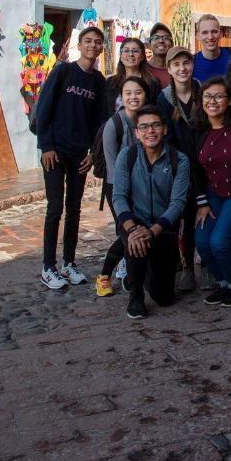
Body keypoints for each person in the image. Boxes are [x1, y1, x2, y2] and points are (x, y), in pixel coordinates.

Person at [36, 26, 107, 290]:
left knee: (75, 209)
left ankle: (68, 262)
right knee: (55, 208)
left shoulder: (98, 81)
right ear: (80, 44)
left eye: (97, 42)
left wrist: (92, 152)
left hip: (80, 154)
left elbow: (100, 120)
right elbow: (44, 109)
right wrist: (46, 147)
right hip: (55, 151)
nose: (92, 45)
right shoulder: (63, 71)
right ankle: (48, 266)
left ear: (102, 47)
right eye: (88, 41)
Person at [112, 105, 190, 319]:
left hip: (163, 226)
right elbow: (118, 196)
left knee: (164, 298)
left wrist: (153, 231)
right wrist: (133, 229)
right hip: (135, 221)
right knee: (135, 242)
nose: (150, 131)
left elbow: (177, 203)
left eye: (155, 125)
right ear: (137, 132)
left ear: (164, 129)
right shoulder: (127, 157)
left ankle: (144, 271)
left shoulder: (179, 160)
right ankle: (135, 294)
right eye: (144, 127)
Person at [192, 77, 231, 308]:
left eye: (219, 96)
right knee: (202, 241)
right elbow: (195, 168)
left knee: (219, 241)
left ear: (229, 101)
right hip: (213, 193)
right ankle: (224, 283)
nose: (213, 101)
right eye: (208, 96)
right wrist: (202, 202)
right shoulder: (197, 129)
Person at [95, 76, 149, 298]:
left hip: (144, 186)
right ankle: (104, 275)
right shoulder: (114, 126)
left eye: (138, 92)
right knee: (127, 231)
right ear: (121, 97)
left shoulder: (149, 120)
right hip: (118, 188)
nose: (133, 97)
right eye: (128, 93)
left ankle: (130, 275)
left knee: (137, 230)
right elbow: (113, 168)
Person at [156, 46, 201, 291]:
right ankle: (181, 266)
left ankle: (200, 266)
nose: (182, 68)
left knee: (200, 215)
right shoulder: (163, 99)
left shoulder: (203, 92)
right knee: (178, 217)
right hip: (176, 168)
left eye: (187, 63)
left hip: (204, 165)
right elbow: (165, 136)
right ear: (169, 70)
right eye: (177, 65)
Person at [104, 37, 160, 115]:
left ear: (142, 57)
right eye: (126, 51)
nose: (130, 54)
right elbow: (105, 112)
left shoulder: (152, 82)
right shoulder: (111, 82)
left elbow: (155, 111)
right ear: (121, 56)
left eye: (135, 51)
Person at [193, 14, 231, 82]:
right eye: (205, 33)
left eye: (214, 32)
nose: (210, 37)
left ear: (220, 34)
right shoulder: (192, 62)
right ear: (198, 36)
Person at [147, 22, 174, 89]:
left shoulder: (178, 70)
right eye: (156, 37)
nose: (161, 41)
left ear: (172, 44)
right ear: (149, 45)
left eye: (166, 38)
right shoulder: (142, 69)